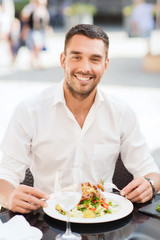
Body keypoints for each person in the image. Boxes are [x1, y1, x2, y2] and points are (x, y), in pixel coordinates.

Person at [0, 24, 160, 214]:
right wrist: (9, 196)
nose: (85, 68)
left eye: (95, 59)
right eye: (76, 57)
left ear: (105, 65)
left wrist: (149, 184)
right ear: (63, 60)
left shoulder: (121, 112)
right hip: (46, 220)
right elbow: (5, 175)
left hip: (102, 220)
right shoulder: (30, 110)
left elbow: (151, 172)